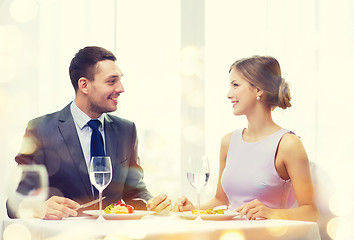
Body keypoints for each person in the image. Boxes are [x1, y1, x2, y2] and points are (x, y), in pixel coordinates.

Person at [7, 46, 171, 219]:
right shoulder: (40, 129)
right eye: (111, 81)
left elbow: (135, 192)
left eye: (120, 80)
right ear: (84, 85)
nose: (121, 88)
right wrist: (37, 208)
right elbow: (16, 201)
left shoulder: (126, 130)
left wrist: (152, 204)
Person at [173, 56, 319, 222]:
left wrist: (270, 212)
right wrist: (194, 210)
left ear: (258, 90)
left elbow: (310, 212)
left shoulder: (288, 144)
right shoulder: (228, 142)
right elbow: (221, 201)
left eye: (235, 85)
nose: (229, 94)